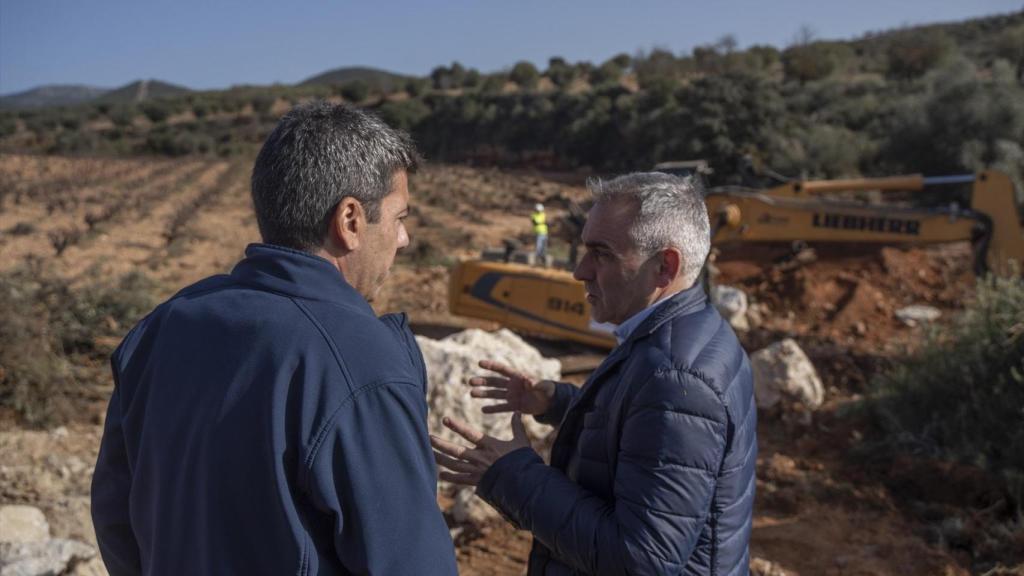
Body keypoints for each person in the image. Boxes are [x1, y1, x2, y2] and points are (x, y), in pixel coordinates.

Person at [91, 102, 458, 575]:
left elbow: (115, 514)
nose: (404, 239)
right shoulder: (359, 361)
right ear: (349, 220)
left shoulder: (164, 325)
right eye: (398, 217)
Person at [432, 173, 757, 575]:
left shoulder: (677, 378)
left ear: (664, 267)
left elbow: (641, 560)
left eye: (601, 254)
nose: (580, 271)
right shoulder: (685, 336)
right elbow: (642, 427)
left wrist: (513, 474)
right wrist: (556, 401)